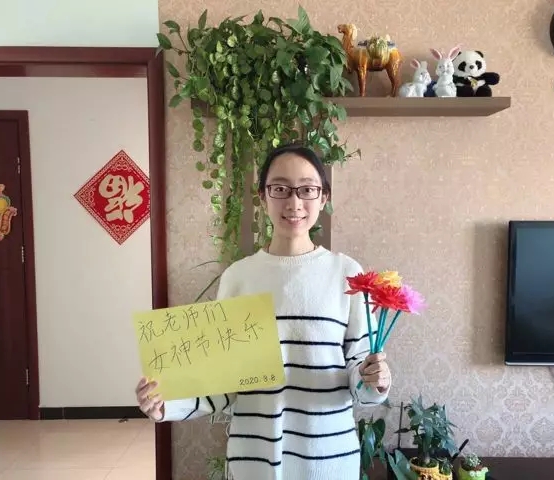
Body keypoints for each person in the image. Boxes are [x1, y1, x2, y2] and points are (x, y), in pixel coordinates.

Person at [135, 142, 392, 480]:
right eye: (280, 189)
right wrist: (166, 402)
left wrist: (375, 380)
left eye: (307, 189)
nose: (294, 202)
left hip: (327, 460)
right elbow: (222, 383)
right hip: (253, 459)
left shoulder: (347, 275)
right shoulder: (239, 277)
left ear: (323, 198)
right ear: (262, 196)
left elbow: (360, 372)